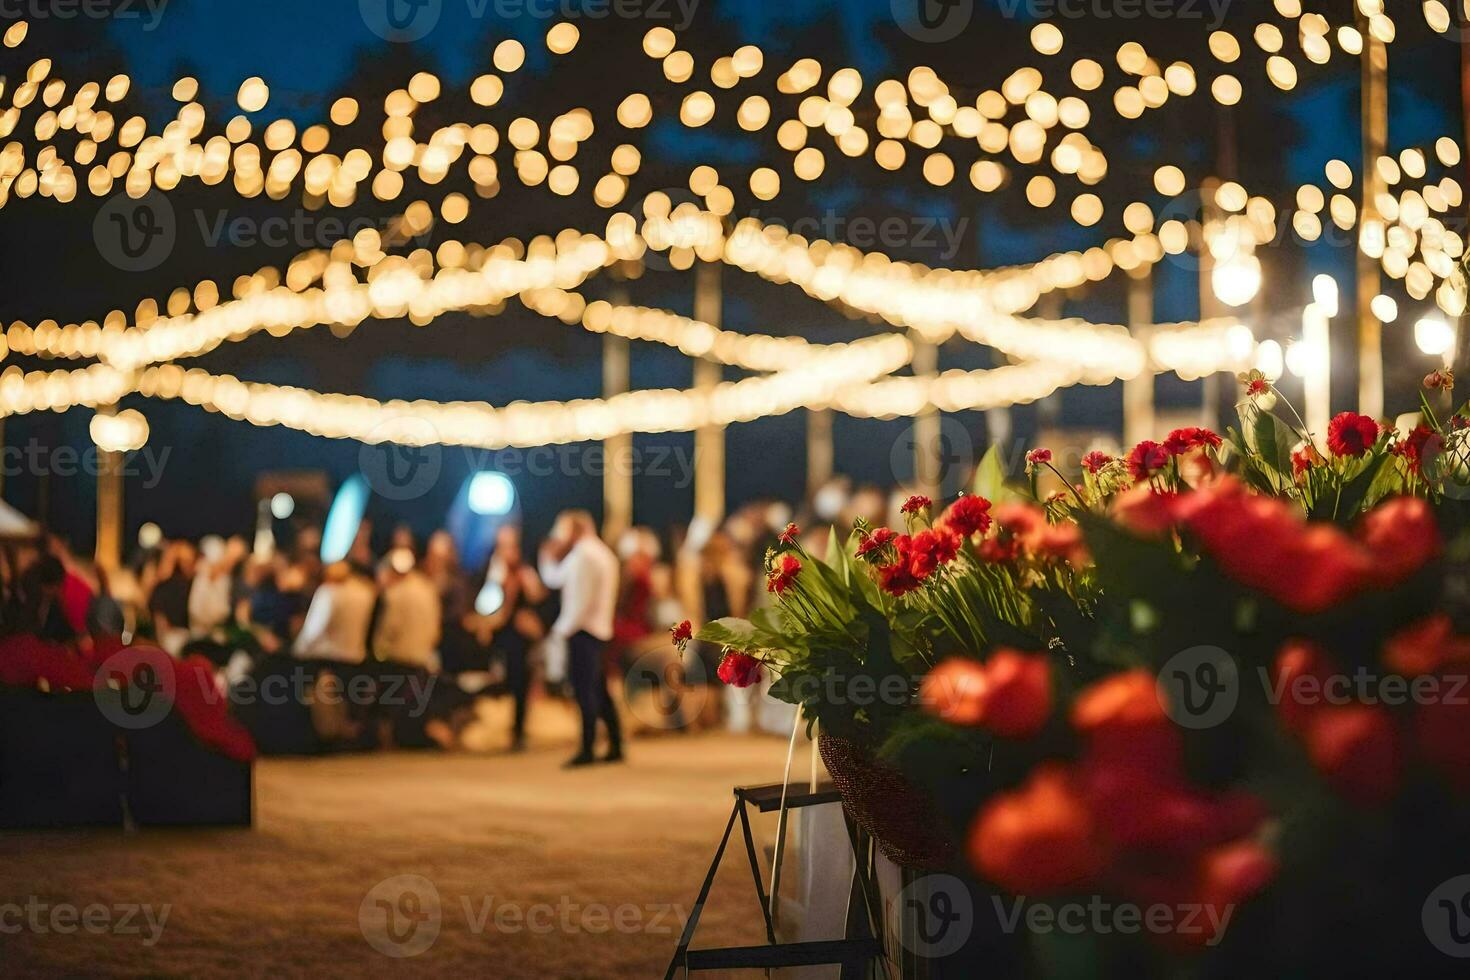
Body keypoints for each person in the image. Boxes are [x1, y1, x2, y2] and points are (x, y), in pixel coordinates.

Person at [539, 509, 623, 767]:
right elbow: (557, 579)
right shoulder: (599, 553)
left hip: (583, 630)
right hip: (597, 629)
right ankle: (615, 745)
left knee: (585, 691)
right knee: (598, 689)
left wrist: (563, 630)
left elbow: (578, 598)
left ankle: (588, 748)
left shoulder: (585, 555)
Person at [474, 524, 546, 751]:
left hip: (520, 639)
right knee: (501, 680)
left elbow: (538, 598)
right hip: (499, 636)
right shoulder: (492, 572)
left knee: (521, 682)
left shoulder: (525, 573)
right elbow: (486, 605)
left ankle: (518, 732)